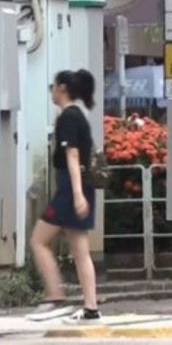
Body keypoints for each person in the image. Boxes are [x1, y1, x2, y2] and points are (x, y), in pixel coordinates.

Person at [27, 70, 101, 322]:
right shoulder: (78, 115)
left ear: (61, 87)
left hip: (71, 188)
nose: (51, 91)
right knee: (80, 251)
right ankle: (90, 307)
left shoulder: (68, 117)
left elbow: (72, 156)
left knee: (38, 240)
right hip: (77, 188)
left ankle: (55, 298)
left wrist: (78, 194)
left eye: (52, 86)